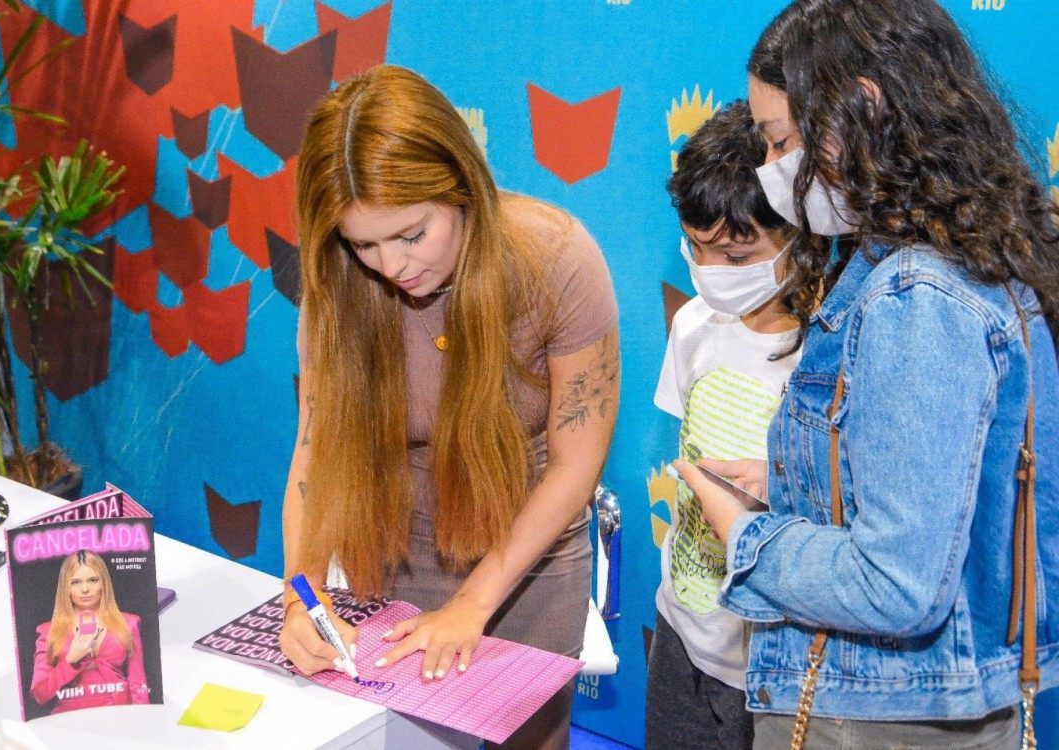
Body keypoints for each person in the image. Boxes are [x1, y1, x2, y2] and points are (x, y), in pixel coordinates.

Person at [676, 1, 1059, 748]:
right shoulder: (967, 265)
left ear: (863, 109)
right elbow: (944, 499)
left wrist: (750, 536)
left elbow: (896, 584)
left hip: (878, 717)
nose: (772, 169)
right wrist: (794, 479)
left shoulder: (917, 295)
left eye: (781, 141)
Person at [278, 64, 619, 749]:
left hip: (529, 562)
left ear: (462, 187)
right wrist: (299, 598)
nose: (392, 265)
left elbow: (575, 469)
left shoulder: (559, 261)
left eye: (412, 233)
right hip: (391, 554)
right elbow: (316, 453)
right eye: (364, 243)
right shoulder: (339, 286)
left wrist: (472, 605)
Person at [646, 100, 804, 750]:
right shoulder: (692, 327)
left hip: (770, 666)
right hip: (680, 631)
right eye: (697, 249)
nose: (713, 273)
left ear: (799, 234)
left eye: (738, 257)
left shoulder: (822, 357)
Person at [30, 550, 150, 713]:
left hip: (119, 713)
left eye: (93, 580)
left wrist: (142, 721)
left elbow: (138, 683)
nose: (85, 589)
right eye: (75, 582)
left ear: (104, 583)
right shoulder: (48, 631)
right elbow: (40, 694)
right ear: (66, 587)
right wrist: (71, 661)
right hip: (69, 720)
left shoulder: (128, 623)